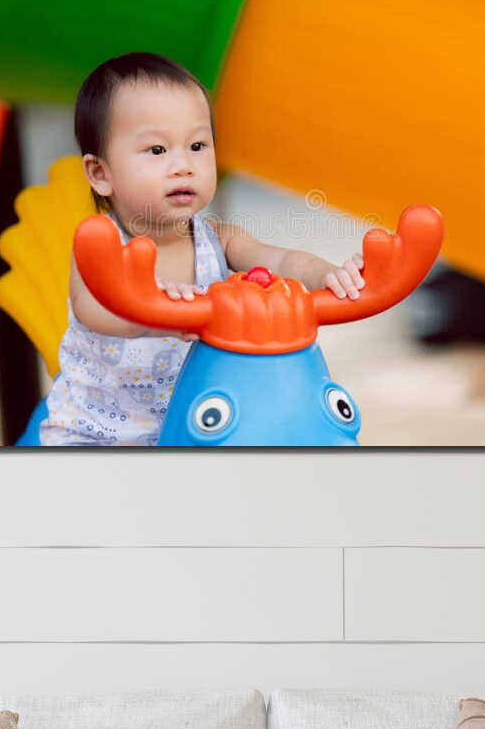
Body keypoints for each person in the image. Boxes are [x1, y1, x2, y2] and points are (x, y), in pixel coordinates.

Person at [38, 52, 365, 446]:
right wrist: (153, 314)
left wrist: (328, 275)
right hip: (98, 434)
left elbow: (282, 260)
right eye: (157, 151)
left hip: (199, 424)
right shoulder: (101, 245)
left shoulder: (218, 238)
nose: (183, 165)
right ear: (100, 174)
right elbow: (94, 308)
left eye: (197, 145)